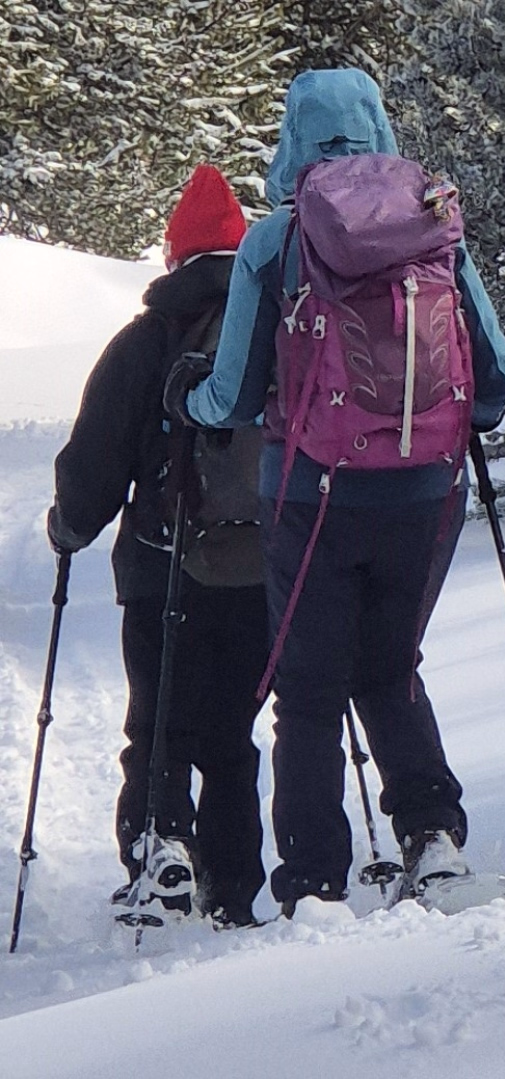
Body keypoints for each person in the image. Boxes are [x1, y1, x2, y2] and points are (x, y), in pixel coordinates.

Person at [174, 69, 505, 917]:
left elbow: (231, 392)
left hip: (311, 496)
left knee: (309, 687)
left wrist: (189, 398)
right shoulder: (432, 220)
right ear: (377, 124)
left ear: (294, 135)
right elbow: (498, 377)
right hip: (427, 495)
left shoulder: (275, 240)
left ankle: (313, 881)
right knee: (391, 665)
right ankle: (431, 836)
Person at [47, 165, 269, 928]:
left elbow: (98, 456)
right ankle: (235, 884)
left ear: (174, 254)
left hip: (158, 564)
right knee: (233, 736)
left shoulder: (144, 341)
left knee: (159, 723)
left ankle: (160, 850)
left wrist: (70, 527)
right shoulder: (271, 330)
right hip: (257, 569)